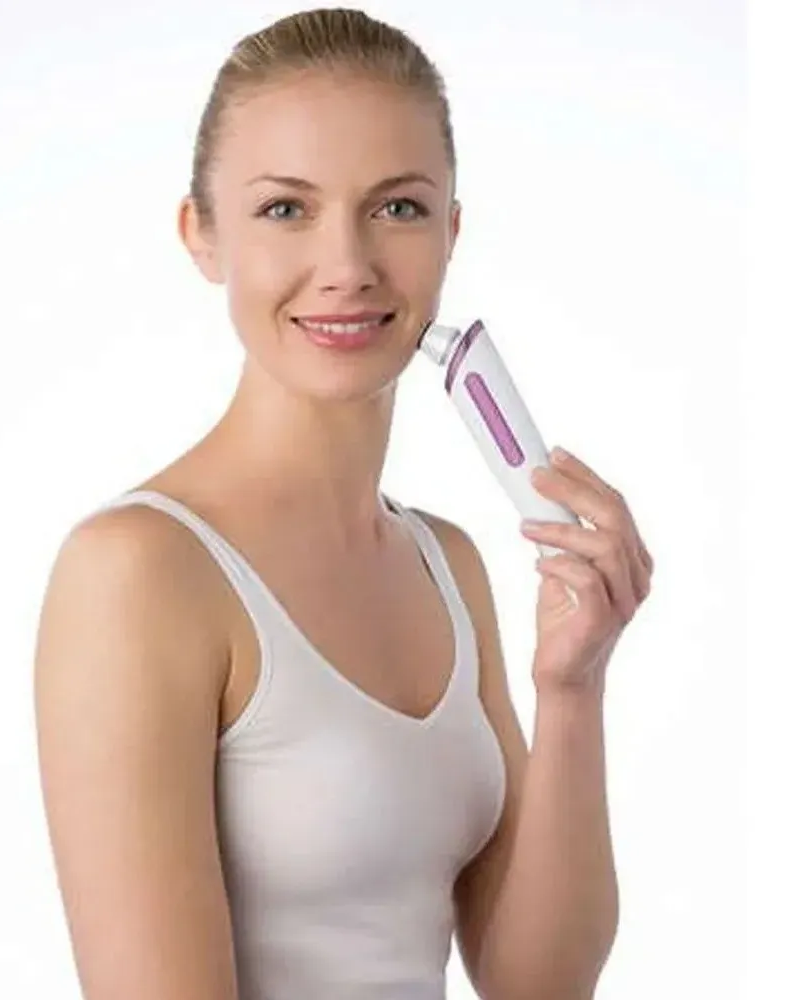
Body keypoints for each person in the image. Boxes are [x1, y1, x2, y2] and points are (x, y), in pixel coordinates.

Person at [35, 8, 636, 1000]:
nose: (349, 266)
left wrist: (573, 689)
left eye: (397, 207)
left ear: (451, 232)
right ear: (202, 235)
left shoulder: (447, 564)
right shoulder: (139, 573)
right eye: (285, 209)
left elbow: (538, 983)